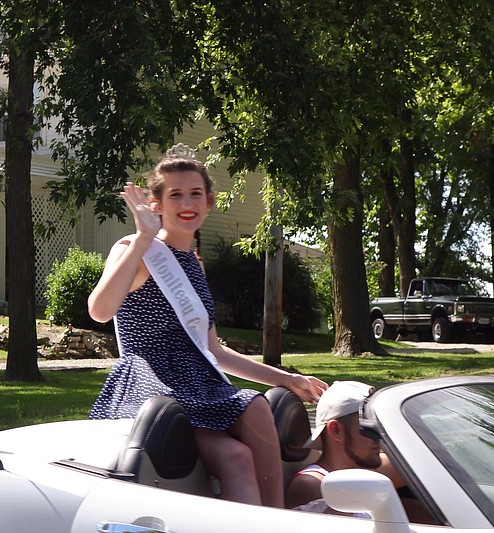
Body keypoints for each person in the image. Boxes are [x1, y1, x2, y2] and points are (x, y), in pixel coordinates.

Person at [87, 150, 327, 508]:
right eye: (175, 195)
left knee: (246, 434)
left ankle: (276, 520)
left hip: (196, 380)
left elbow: (213, 351)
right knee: (246, 433)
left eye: (195, 193)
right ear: (156, 204)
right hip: (152, 380)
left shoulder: (195, 266)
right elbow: (100, 311)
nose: (187, 203)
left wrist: (287, 379)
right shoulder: (137, 249)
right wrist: (141, 238)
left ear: (210, 202)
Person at [285, 381, 406, 512]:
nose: (378, 435)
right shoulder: (314, 484)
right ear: (336, 430)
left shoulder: (364, 470)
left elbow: (419, 463)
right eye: (367, 427)